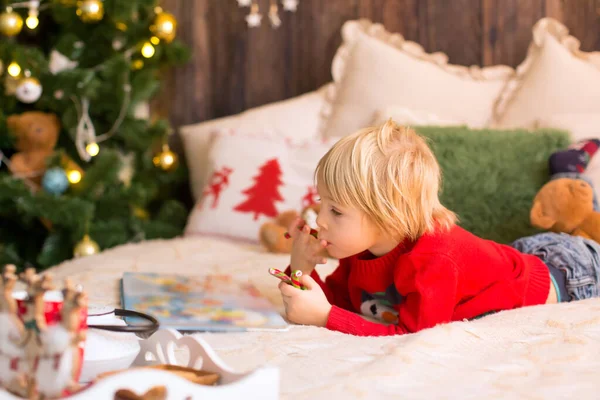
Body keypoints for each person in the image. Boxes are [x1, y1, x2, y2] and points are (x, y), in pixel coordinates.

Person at [278, 119, 600, 337]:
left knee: (584, 218)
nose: (319, 219)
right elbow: (338, 301)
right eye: (322, 202)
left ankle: (568, 171)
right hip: (513, 258)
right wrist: (301, 267)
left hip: (570, 273)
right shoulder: (360, 247)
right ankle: (570, 174)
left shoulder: (433, 260)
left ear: (388, 215)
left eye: (335, 210)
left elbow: (412, 335)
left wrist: (324, 318)